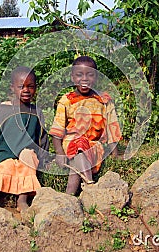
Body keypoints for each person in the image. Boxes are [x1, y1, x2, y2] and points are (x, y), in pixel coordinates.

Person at [0, 66, 49, 212]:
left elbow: (42, 137)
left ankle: (22, 200)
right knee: (6, 167)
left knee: (27, 162)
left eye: (31, 86)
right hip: (4, 152)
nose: (26, 90)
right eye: (21, 86)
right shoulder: (4, 109)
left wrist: (45, 158)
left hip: (26, 153)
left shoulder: (36, 111)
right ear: (12, 88)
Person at [49, 56, 122, 195]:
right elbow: (57, 129)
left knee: (78, 159)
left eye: (90, 75)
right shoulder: (66, 101)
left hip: (94, 145)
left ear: (97, 77)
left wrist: (115, 155)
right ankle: (89, 184)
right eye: (79, 75)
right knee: (79, 145)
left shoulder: (104, 101)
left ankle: (68, 196)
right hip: (71, 143)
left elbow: (112, 128)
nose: (84, 79)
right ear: (72, 77)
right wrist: (59, 153)